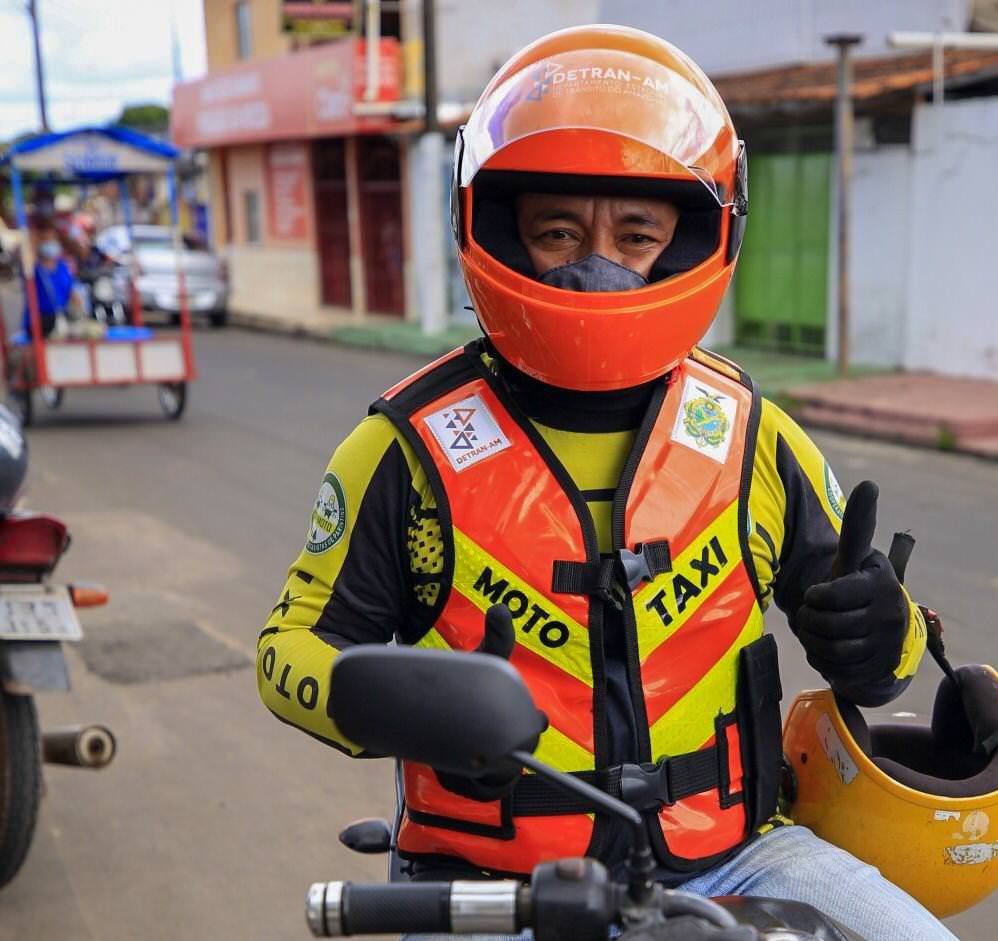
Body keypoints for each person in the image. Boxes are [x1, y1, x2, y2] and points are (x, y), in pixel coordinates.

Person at [258, 25, 954, 941]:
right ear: (497, 230)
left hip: (736, 859)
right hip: (493, 880)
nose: (597, 264)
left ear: (691, 239)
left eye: (637, 234)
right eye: (558, 232)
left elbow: (896, 664)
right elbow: (288, 652)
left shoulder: (749, 437)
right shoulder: (408, 449)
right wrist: (414, 710)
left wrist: (880, 632)